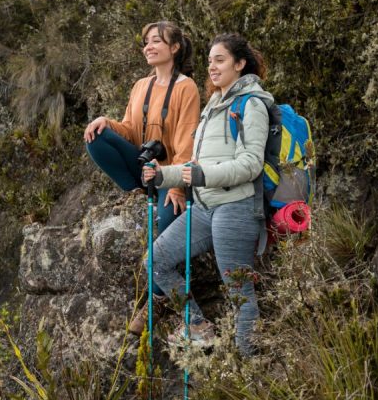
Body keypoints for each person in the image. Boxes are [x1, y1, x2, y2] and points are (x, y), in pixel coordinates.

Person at [142, 32, 270, 355]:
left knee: (239, 292)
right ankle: (196, 324)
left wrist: (203, 175)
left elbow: (251, 164)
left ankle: (251, 366)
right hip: (204, 206)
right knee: (156, 260)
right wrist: (161, 176)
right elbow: (193, 166)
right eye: (210, 60)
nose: (212, 67)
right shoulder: (212, 106)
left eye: (220, 60)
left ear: (240, 64)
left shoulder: (252, 104)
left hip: (237, 208)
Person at [83, 21, 200, 231]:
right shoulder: (140, 85)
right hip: (142, 166)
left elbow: (187, 143)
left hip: (168, 173)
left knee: (166, 223)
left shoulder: (186, 87)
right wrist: (106, 122)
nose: (148, 47)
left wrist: (177, 188)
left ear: (174, 47)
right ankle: (136, 194)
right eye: (146, 43)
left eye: (156, 41)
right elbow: (129, 129)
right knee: (97, 137)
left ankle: (160, 196)